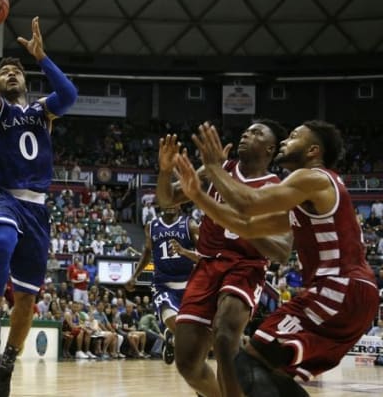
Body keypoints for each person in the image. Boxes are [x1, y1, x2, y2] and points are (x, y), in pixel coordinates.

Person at [174, 121, 378, 397]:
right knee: (269, 368)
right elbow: (246, 225)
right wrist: (198, 194)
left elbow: (248, 203)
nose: (285, 141)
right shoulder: (304, 198)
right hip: (354, 295)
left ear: (312, 150)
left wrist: (212, 168)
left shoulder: (313, 178)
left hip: (338, 288)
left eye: (294, 137)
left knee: (248, 361)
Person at [0, 0, 77, 396]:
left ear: (26, 81)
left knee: (26, 301)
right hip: (3, 194)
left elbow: (71, 95)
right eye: (4, 71)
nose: (11, 73)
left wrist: (43, 58)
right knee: (2, 242)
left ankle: (7, 360)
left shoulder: (43, 111)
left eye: (16, 71)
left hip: (38, 209)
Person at [157, 121, 292, 397]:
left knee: (224, 334)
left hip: (245, 266)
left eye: (256, 133)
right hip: (206, 266)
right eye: (245, 130)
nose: (246, 134)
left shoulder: (277, 189)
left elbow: (282, 251)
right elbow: (167, 198)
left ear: (270, 148)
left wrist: (244, 224)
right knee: (187, 364)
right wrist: (166, 169)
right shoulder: (217, 169)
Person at [125, 205, 198, 365]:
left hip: (188, 285)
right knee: (177, 326)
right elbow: (147, 253)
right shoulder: (152, 226)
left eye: (175, 200)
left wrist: (185, 252)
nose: (171, 204)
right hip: (162, 284)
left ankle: (171, 341)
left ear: (180, 205)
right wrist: (134, 276)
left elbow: (203, 254)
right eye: (168, 200)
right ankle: (174, 338)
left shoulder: (190, 225)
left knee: (190, 333)